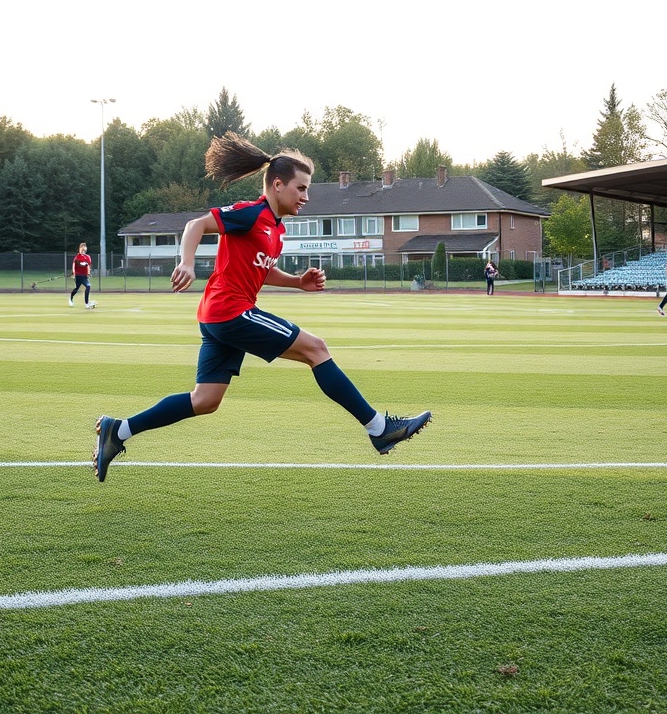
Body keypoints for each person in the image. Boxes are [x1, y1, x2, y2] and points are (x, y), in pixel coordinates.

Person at [92, 132, 431, 482]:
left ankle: (118, 432)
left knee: (205, 400)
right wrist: (188, 263)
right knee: (316, 348)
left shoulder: (276, 229)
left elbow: (263, 270)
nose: (306, 196)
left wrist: (297, 282)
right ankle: (379, 429)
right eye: (301, 188)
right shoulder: (251, 214)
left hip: (217, 317)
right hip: (232, 311)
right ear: (278, 185)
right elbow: (196, 225)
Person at [70, 242, 95, 308]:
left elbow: (88, 266)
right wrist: (73, 273)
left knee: (88, 286)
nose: (83, 249)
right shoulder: (77, 257)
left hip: (84, 276)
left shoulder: (88, 257)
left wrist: (88, 273)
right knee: (76, 289)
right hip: (78, 275)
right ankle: (71, 298)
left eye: (84, 247)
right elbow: (74, 265)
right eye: (82, 248)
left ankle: (86, 303)